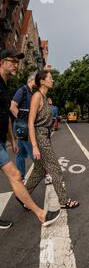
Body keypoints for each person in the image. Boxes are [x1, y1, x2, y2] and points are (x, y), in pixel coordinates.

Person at [0, 48, 61, 229]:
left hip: (3, 140)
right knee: (16, 175)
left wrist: (13, 138)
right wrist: (25, 125)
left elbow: (5, 115)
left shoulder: (5, 86)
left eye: (17, 62)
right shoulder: (19, 90)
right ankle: (41, 214)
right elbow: (13, 109)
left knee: (17, 173)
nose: (15, 65)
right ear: (1, 62)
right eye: (12, 61)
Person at [25, 70, 80, 210]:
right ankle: (63, 201)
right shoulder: (37, 96)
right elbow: (30, 122)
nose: (53, 80)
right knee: (55, 169)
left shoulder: (44, 97)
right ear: (42, 81)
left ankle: (23, 197)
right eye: (50, 78)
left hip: (45, 136)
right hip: (40, 136)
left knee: (39, 170)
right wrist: (34, 146)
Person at [9, 72, 36, 182]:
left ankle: (21, 177)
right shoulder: (23, 90)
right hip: (22, 126)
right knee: (34, 150)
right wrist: (23, 122)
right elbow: (12, 106)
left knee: (20, 153)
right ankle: (45, 174)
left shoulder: (32, 93)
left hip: (22, 126)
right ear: (31, 80)